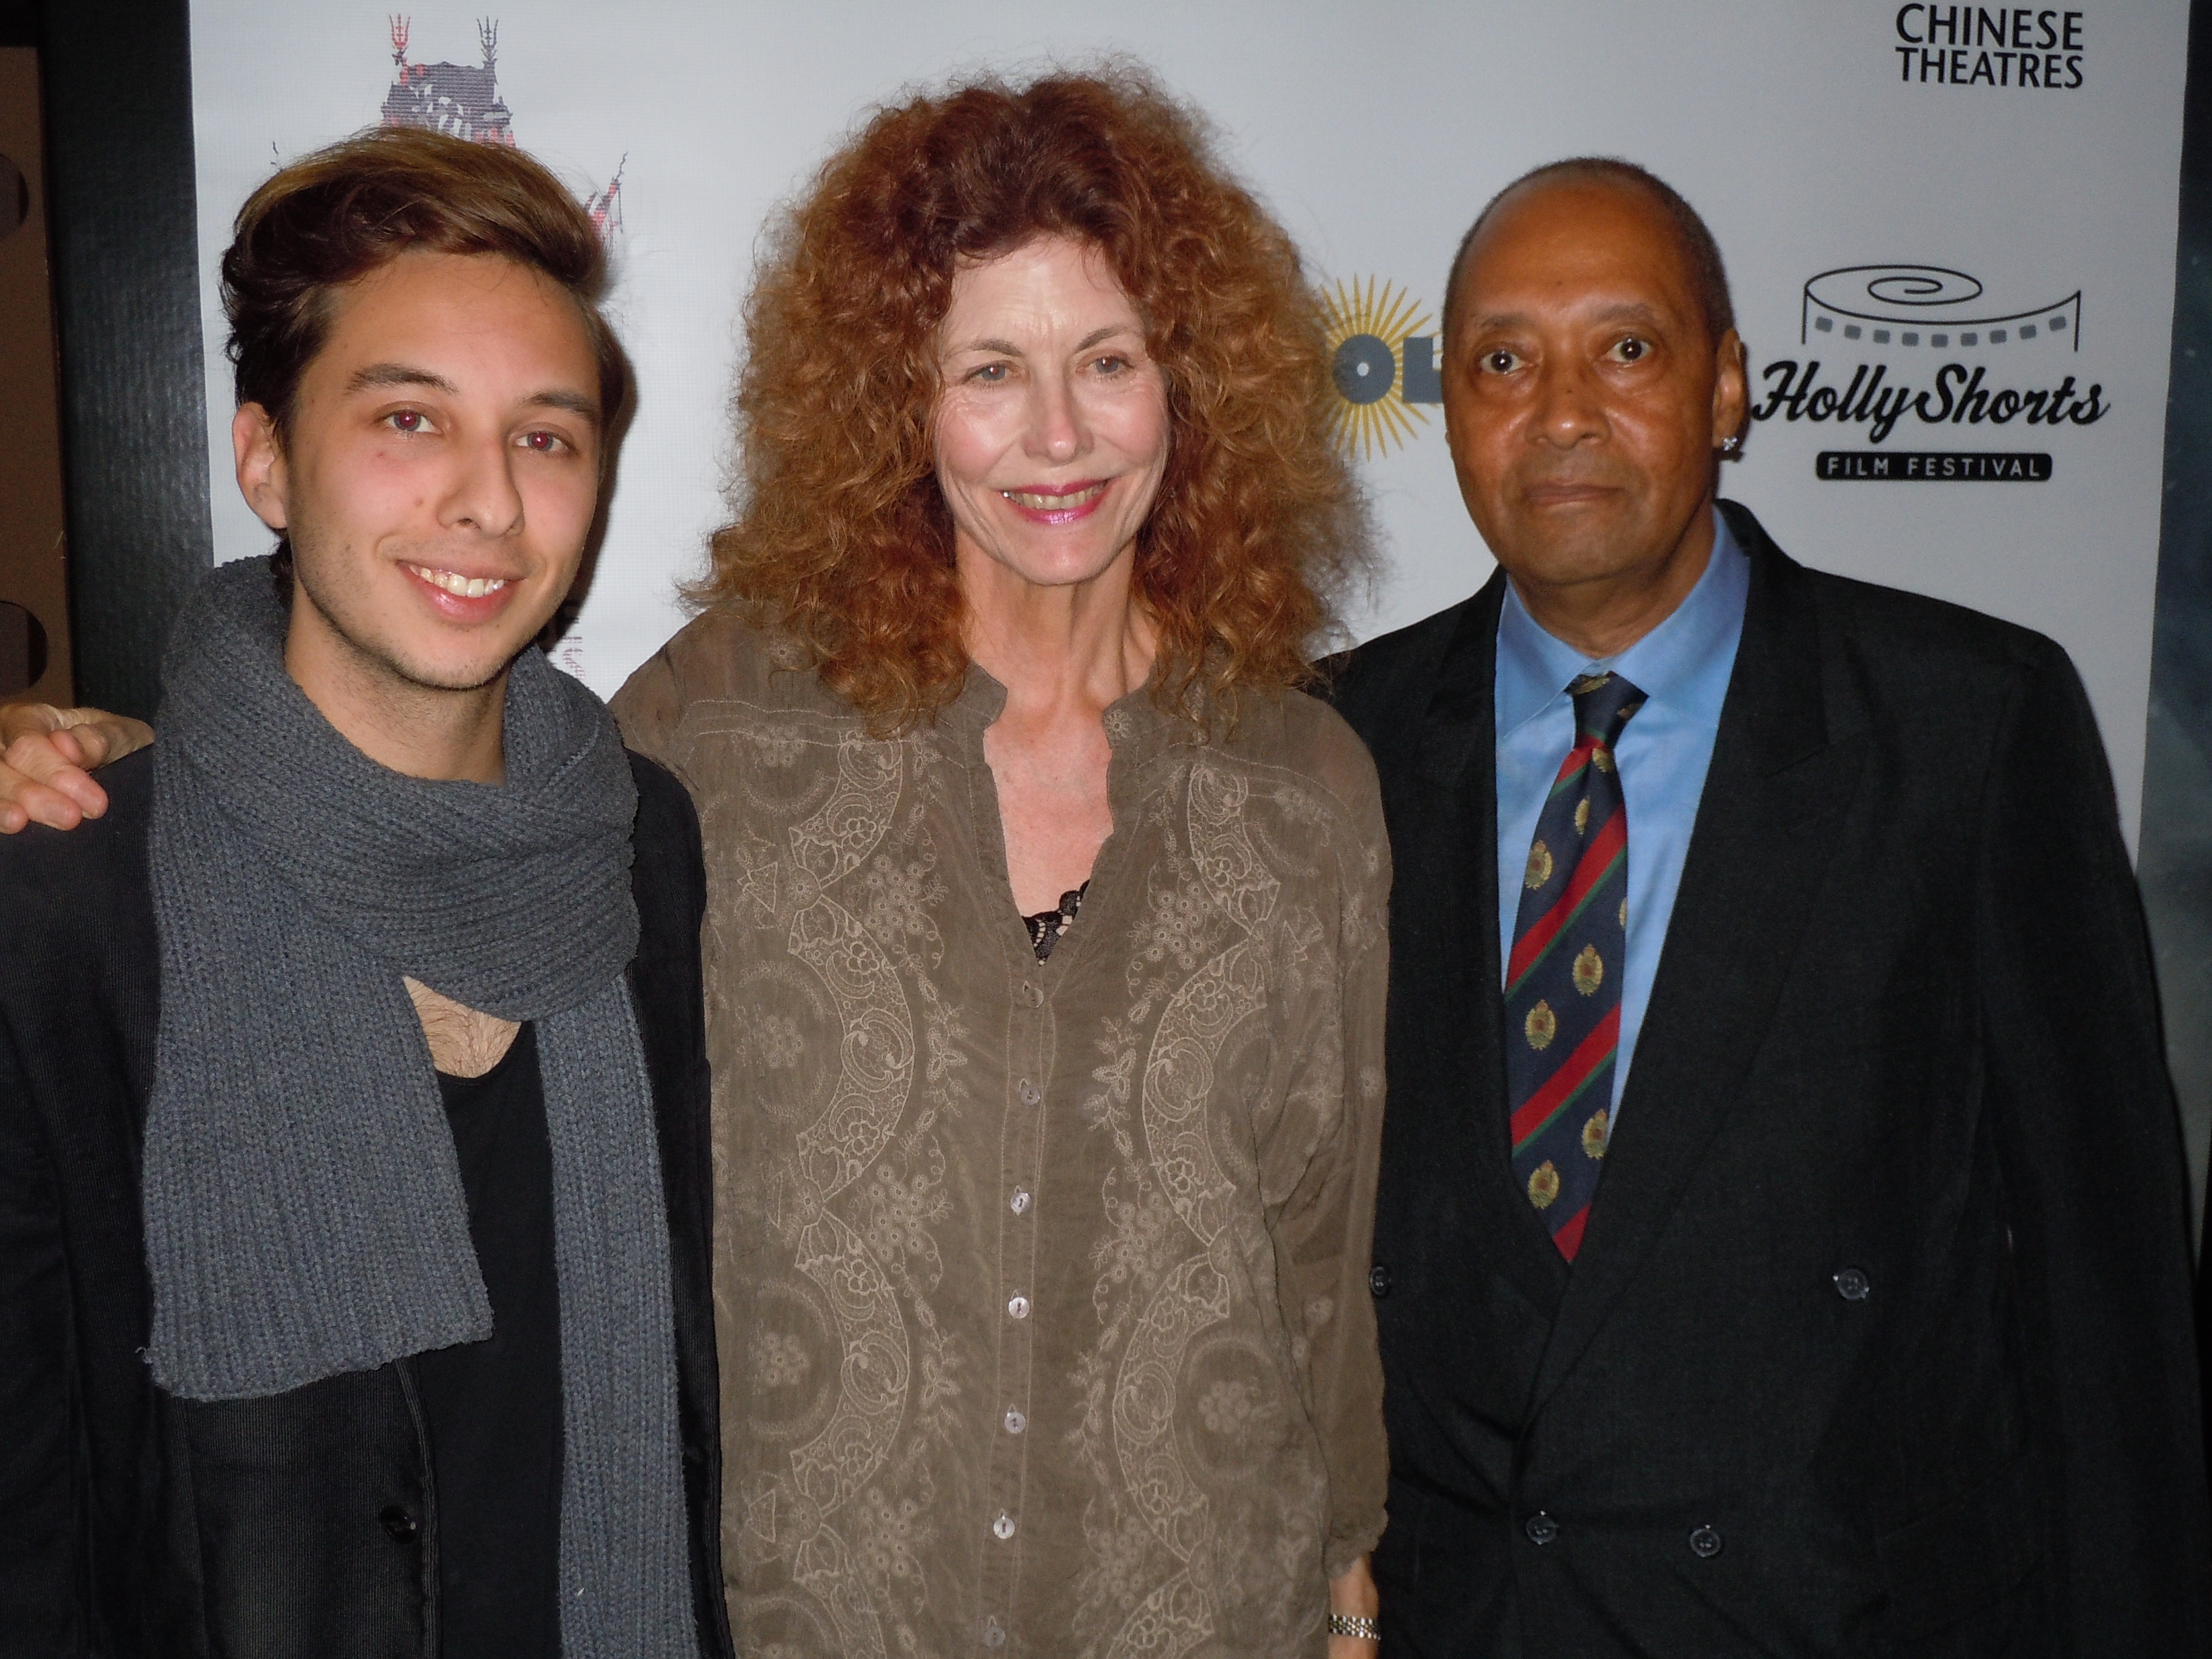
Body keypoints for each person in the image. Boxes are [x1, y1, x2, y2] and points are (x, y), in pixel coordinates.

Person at [3, 72, 1395, 1657]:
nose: (1059, 431)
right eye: (989, 368)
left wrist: (1345, 1590)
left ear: (1191, 387)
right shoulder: (720, 741)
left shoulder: (1306, 787)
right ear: (896, 400)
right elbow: (417, 785)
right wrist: (94, 757)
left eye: (1111, 362)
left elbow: (1317, 1252)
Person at [1325, 157, 2212, 1654]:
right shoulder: (1337, 743)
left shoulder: (1967, 729)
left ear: (1728, 386)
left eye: (1627, 348)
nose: (1560, 413)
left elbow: (2102, 1308)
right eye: (1500, 361)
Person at [0, 128, 732, 1658]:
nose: (484, 504)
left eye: (545, 438)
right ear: (264, 456)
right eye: (410, 419)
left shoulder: (643, 837)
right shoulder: (67, 897)